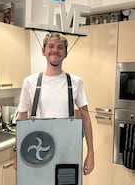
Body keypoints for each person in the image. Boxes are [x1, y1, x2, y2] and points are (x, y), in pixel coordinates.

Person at [14, 33, 94, 175]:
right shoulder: (29, 82)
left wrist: (91, 153)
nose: (55, 50)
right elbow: (21, 118)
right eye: (51, 46)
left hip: (68, 151)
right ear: (43, 51)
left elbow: (86, 118)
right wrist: (16, 152)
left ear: (65, 53)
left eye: (60, 47)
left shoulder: (76, 82)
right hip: (38, 150)